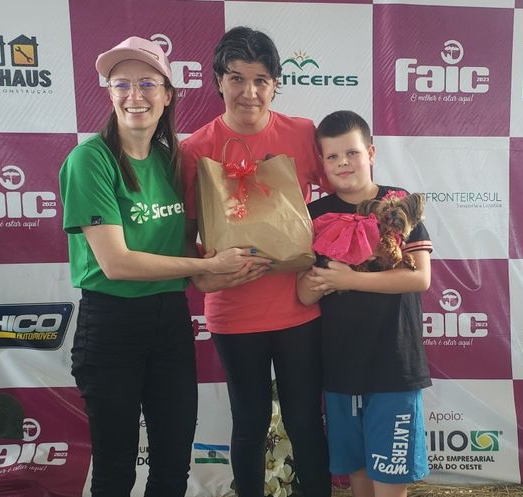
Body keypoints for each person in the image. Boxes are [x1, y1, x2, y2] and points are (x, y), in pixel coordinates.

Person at [59, 37, 268, 496]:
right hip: (111, 324)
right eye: (122, 84)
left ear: (168, 94)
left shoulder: (173, 160)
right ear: (109, 93)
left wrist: (226, 268)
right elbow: (117, 263)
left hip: (170, 321)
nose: (135, 95)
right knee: (115, 472)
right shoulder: (89, 160)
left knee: (173, 469)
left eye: (148, 84)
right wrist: (205, 264)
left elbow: (188, 260)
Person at [179, 27, 331, 497]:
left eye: (261, 80)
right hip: (233, 310)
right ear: (218, 81)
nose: (249, 92)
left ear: (275, 83)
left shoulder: (302, 133)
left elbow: (341, 198)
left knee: (305, 419)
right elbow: (185, 237)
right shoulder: (195, 148)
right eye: (237, 78)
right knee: (249, 420)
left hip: (299, 305)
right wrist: (203, 278)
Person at [298, 110, 433, 497]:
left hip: (394, 365)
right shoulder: (313, 215)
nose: (343, 163)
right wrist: (325, 277)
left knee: (390, 479)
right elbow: (304, 293)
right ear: (322, 162)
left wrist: (349, 279)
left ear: (371, 153)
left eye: (352, 153)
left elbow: (419, 277)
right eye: (333, 156)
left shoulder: (398, 205)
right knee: (358, 476)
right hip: (340, 367)